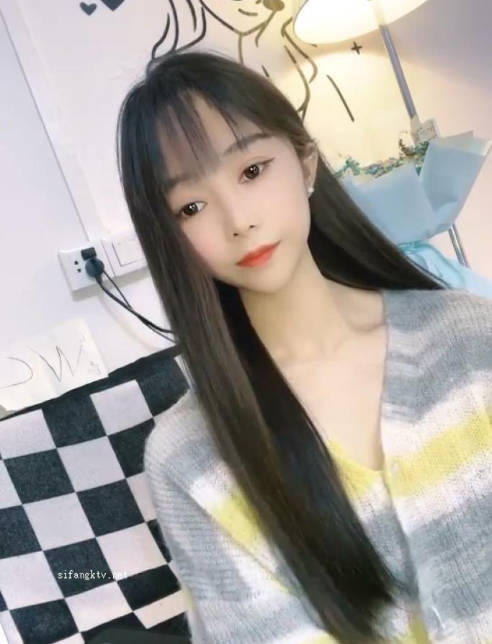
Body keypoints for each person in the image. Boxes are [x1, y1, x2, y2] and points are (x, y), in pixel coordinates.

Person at [116, 49, 492, 643]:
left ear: (306, 162)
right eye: (191, 206)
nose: (238, 220)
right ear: (169, 237)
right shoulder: (190, 460)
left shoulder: (468, 339)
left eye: (252, 170)